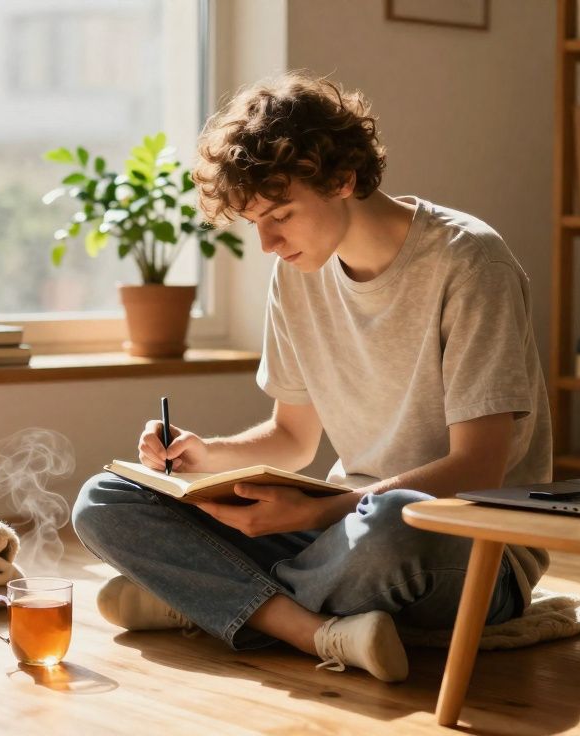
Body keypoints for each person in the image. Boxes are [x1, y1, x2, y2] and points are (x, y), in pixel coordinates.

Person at [71, 71, 552, 682]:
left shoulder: (471, 262)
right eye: (255, 224)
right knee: (105, 499)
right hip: (334, 535)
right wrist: (203, 455)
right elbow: (293, 438)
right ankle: (311, 629)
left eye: (280, 216)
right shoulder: (298, 274)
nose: (269, 243)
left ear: (342, 180)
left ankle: (205, 598)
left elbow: (479, 468)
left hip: (464, 543)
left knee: (389, 525)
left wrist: (318, 514)